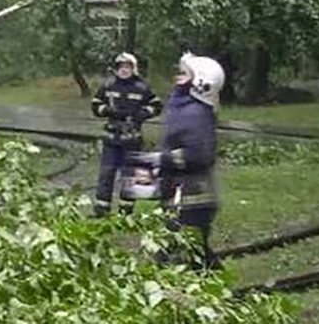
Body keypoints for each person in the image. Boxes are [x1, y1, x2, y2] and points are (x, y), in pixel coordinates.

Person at [159, 52, 225, 268]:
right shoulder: (185, 107)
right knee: (189, 250)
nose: (178, 75)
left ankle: (216, 291)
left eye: (185, 73)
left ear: (200, 83)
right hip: (183, 194)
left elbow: (199, 155)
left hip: (194, 198)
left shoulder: (195, 113)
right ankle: (217, 285)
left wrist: (162, 159)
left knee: (183, 251)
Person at [90, 52, 160, 216]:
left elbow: (156, 105)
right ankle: (102, 208)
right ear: (116, 69)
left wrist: (142, 114)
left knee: (129, 175)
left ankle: (126, 211)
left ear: (133, 68)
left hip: (132, 139)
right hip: (111, 138)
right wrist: (107, 110)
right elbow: (95, 104)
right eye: (121, 67)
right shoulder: (108, 85)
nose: (124, 70)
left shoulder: (142, 87)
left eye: (127, 67)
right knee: (106, 173)